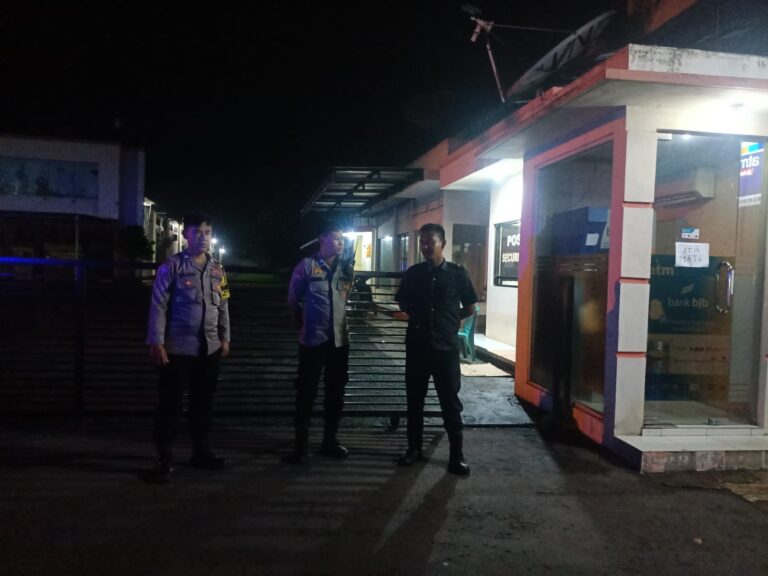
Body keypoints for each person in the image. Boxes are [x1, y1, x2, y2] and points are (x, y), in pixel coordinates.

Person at [146, 212, 231, 482]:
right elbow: (158, 305)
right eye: (197, 232)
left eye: (207, 232)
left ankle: (201, 452)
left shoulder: (218, 269)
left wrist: (225, 337)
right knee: (170, 404)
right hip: (178, 348)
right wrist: (156, 341)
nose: (203, 237)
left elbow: (224, 304)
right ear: (186, 235)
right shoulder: (171, 266)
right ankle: (164, 457)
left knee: (203, 402)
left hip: (209, 348)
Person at [395, 223, 477, 476]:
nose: (425, 246)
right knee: (414, 401)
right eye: (422, 242)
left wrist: (450, 321)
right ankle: (414, 449)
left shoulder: (457, 274)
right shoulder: (413, 273)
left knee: (450, 403)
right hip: (417, 347)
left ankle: (457, 456)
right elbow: (403, 302)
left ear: (443, 243)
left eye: (430, 241)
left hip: (445, 348)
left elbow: (470, 306)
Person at [285, 220, 354, 463]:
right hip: (313, 341)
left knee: (336, 393)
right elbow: (293, 301)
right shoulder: (305, 266)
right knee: (306, 393)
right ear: (322, 240)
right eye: (336, 238)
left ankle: (329, 441)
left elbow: (345, 299)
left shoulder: (347, 268)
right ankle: (300, 446)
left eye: (342, 239)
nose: (340, 243)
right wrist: (303, 326)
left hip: (339, 341)